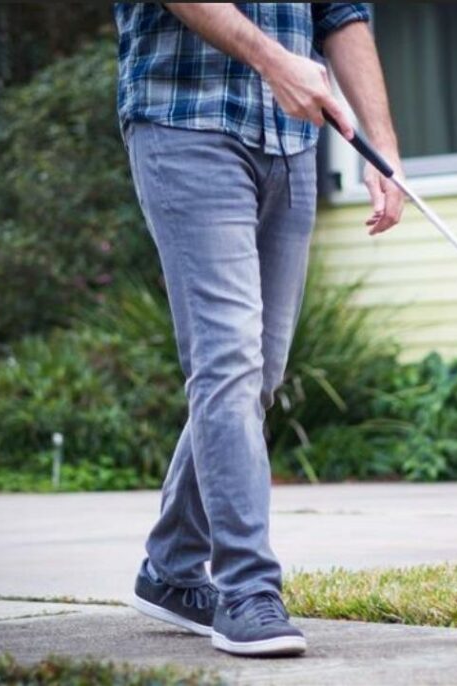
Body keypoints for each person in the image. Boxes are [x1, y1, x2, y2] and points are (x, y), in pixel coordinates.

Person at [113, 2, 403, 657]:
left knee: (259, 375)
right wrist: (275, 61)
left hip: (291, 140)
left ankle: (169, 565)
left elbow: (341, 12)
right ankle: (246, 588)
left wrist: (383, 147)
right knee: (230, 363)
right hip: (185, 118)